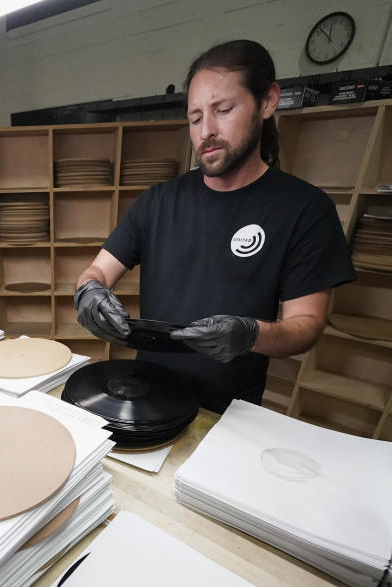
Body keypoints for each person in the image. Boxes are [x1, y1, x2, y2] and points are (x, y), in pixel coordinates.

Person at [73, 39, 355, 413]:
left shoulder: (305, 209)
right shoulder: (158, 202)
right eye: (194, 118)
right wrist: (89, 292)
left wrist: (252, 334)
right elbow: (97, 270)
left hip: (228, 412)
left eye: (223, 110)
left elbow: (307, 324)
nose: (206, 130)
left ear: (268, 101)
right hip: (142, 397)